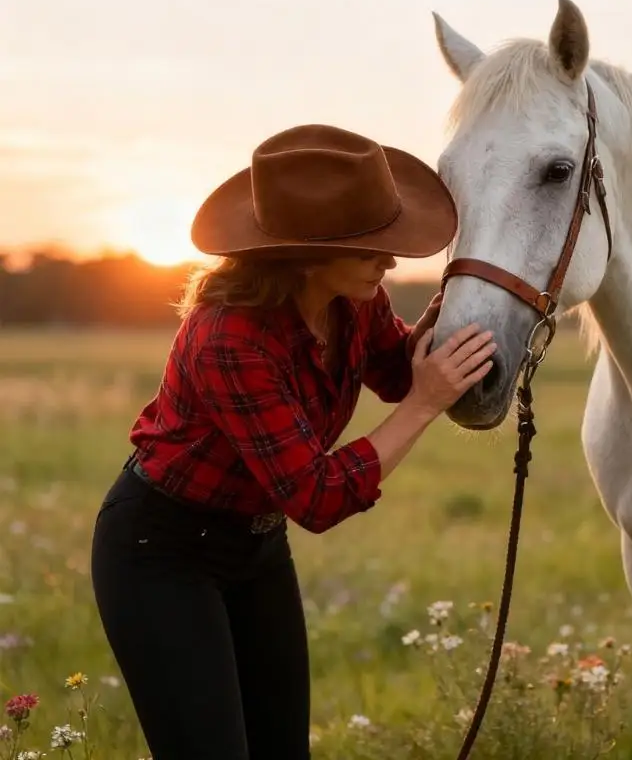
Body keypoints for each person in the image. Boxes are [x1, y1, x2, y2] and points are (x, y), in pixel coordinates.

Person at [90, 123, 496, 760]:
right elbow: (316, 498)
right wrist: (425, 404)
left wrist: (477, 305)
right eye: (370, 250)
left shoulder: (352, 301)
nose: (389, 262)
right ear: (306, 253)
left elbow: (396, 371)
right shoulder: (229, 339)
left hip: (256, 546)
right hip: (161, 552)